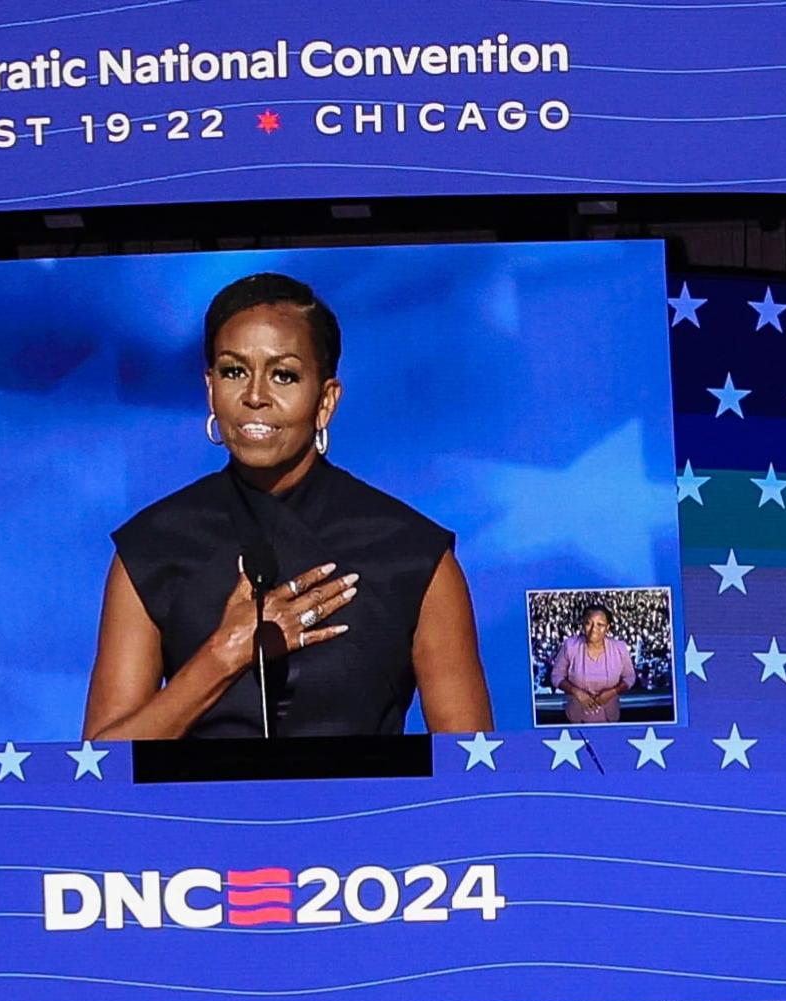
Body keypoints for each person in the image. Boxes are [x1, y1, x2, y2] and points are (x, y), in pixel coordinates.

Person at [83, 272, 493, 739]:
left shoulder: (413, 555)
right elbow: (103, 770)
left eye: (284, 375)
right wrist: (224, 654)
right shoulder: (152, 547)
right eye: (234, 371)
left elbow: (470, 777)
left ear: (326, 401)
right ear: (210, 388)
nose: (255, 396)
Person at [547, 603, 636, 724]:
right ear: (583, 624)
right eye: (589, 623)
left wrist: (613, 692)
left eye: (600, 625)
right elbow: (556, 677)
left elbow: (630, 678)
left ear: (608, 627)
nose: (594, 629)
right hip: (576, 716)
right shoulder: (570, 646)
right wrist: (576, 692)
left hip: (610, 717)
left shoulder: (619, 648)